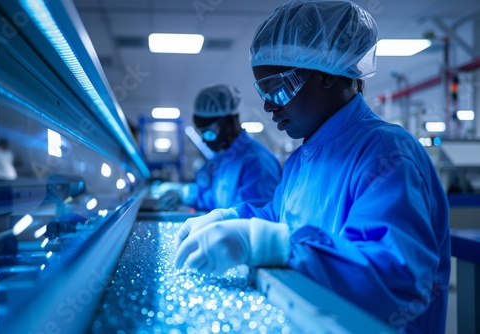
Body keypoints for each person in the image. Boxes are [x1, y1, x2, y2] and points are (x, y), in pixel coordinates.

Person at [173, 1, 450, 334]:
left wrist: (268, 244)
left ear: (328, 74)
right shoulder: (303, 158)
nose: (267, 105)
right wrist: (230, 219)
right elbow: (280, 217)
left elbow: (394, 279)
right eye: (262, 90)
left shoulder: (386, 155)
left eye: (277, 87)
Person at [158, 84, 282, 211]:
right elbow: (217, 200)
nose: (204, 140)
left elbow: (259, 216)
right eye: (201, 133)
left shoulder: (256, 162)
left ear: (231, 121)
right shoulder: (225, 159)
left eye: (210, 133)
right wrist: (187, 195)